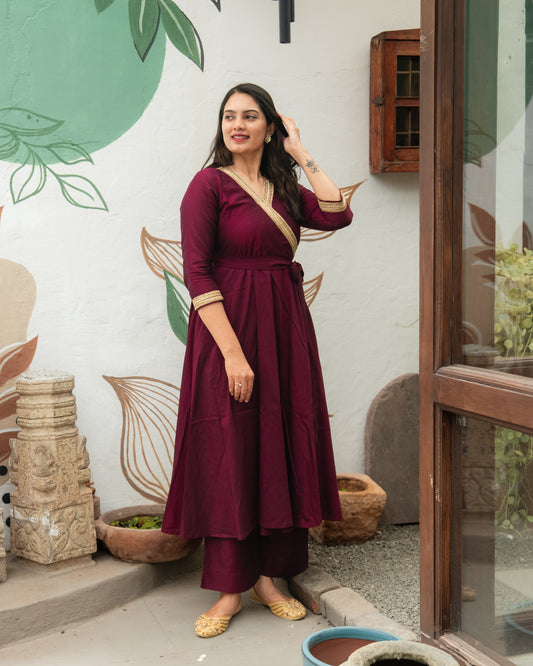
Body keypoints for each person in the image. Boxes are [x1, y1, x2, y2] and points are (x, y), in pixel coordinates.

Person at [162, 83, 353, 638]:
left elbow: (338, 213)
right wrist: (232, 355)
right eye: (229, 116)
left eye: (250, 116)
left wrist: (301, 152)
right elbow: (197, 272)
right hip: (228, 333)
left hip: (285, 330)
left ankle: (269, 579)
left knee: (279, 443)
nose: (237, 125)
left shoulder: (285, 188)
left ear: (270, 127)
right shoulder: (207, 186)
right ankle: (229, 588)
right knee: (231, 447)